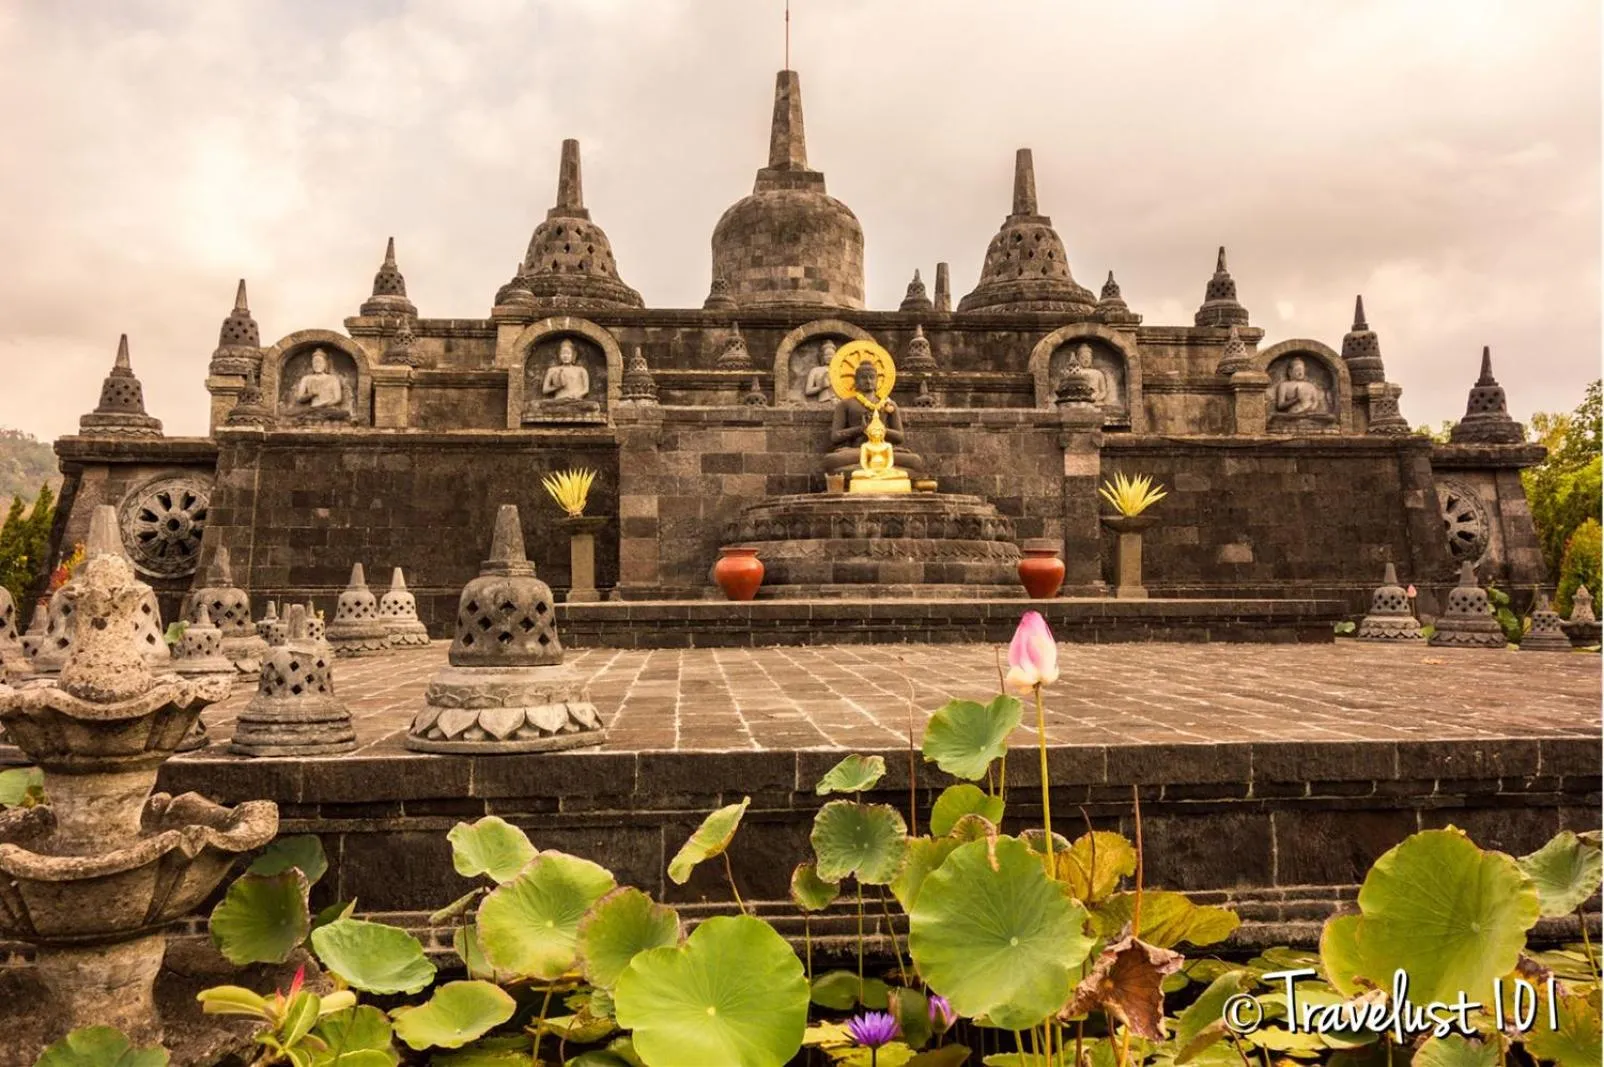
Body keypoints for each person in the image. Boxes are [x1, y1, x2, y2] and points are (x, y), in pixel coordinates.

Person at [825, 360, 927, 474]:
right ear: (856, 381)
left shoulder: (889, 404)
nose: (868, 381)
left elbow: (900, 437)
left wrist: (881, 430)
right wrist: (860, 429)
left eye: (872, 377)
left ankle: (863, 471)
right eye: (864, 378)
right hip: (858, 451)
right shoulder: (845, 404)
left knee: (915, 461)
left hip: (884, 450)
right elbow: (835, 436)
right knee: (831, 460)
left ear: (877, 380)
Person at [848, 410, 911, 493]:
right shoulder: (865, 446)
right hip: (865, 465)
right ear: (869, 433)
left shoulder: (887, 445)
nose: (876, 433)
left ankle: (880, 479)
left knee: (908, 468)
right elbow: (864, 461)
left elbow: (899, 438)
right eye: (874, 431)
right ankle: (879, 479)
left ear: (883, 433)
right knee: (855, 473)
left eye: (879, 431)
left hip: (885, 470)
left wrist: (886, 470)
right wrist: (860, 429)